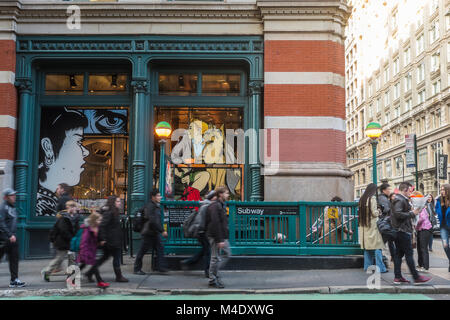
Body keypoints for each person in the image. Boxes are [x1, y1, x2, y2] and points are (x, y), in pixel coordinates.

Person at [37, 108, 89, 216]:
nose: (86, 152)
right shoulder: (41, 206)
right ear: (48, 148)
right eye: (79, 142)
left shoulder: (46, 203)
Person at [391, 182, 431, 285]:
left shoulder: (400, 199)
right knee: (409, 254)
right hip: (402, 231)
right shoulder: (400, 199)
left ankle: (398, 277)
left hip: (400, 230)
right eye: (410, 190)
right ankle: (416, 277)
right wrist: (412, 213)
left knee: (399, 254)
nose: (411, 192)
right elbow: (398, 214)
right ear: (405, 190)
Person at [86, 196, 128, 283]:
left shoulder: (114, 211)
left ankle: (90, 272)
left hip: (113, 239)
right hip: (111, 240)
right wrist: (103, 239)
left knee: (104, 258)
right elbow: (102, 226)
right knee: (116, 258)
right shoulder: (109, 212)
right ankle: (119, 276)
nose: (119, 203)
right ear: (113, 202)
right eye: (117, 201)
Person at [180, 190, 216, 278]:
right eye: (215, 196)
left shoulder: (208, 205)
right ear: (212, 197)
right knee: (207, 251)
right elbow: (201, 220)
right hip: (202, 232)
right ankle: (207, 271)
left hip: (204, 231)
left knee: (205, 250)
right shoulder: (206, 206)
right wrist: (202, 230)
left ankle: (188, 262)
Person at [42, 200, 80, 281]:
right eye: (74, 207)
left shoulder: (75, 217)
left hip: (71, 241)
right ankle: (47, 272)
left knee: (72, 259)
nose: (76, 209)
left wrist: (76, 238)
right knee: (59, 258)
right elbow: (63, 231)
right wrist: (72, 238)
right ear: (69, 208)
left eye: (75, 207)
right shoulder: (64, 218)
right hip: (62, 242)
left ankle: (71, 276)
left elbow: (76, 229)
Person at [134, 190, 169, 275]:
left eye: (160, 196)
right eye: (158, 196)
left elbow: (156, 221)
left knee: (160, 248)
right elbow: (153, 220)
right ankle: (137, 269)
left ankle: (161, 267)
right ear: (153, 197)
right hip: (148, 232)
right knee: (142, 250)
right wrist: (162, 230)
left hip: (154, 232)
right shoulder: (151, 206)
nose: (160, 197)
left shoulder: (155, 206)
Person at [205, 186, 231, 288]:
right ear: (220, 194)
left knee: (226, 254)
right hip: (215, 236)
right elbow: (215, 223)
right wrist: (219, 239)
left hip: (220, 236)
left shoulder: (221, 205)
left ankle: (215, 274)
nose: (228, 195)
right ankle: (212, 279)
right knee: (215, 257)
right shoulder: (215, 206)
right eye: (226, 193)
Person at [358, 183, 387, 273]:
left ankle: (367, 267)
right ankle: (381, 268)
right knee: (377, 247)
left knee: (368, 248)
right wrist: (379, 211)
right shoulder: (372, 199)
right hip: (373, 226)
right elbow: (374, 213)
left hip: (364, 226)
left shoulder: (362, 199)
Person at [0, 188, 25, 288]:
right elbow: (1, 223)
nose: (14, 197)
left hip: (13, 238)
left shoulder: (13, 207)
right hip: (3, 239)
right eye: (11, 195)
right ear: (5, 197)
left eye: (14, 195)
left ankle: (14, 280)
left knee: (14, 260)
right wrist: (9, 235)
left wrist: (12, 235)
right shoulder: (3, 207)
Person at [77, 212, 109, 288]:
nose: (100, 222)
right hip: (86, 250)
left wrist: (100, 241)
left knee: (83, 265)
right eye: (99, 220)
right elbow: (84, 241)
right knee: (94, 266)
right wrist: (84, 252)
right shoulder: (87, 229)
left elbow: (95, 239)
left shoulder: (97, 227)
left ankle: (70, 277)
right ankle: (100, 282)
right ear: (94, 220)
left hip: (92, 249)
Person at [378, 183, 396, 267]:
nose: (390, 191)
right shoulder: (383, 198)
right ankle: (380, 261)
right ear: (384, 190)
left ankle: (394, 257)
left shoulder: (384, 198)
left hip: (386, 223)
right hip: (385, 223)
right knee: (383, 242)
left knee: (390, 240)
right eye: (388, 189)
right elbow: (386, 209)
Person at [415, 192, 434, 272]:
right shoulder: (418, 206)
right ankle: (420, 264)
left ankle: (425, 267)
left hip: (425, 229)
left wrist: (415, 224)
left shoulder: (421, 206)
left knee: (423, 248)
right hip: (421, 229)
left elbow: (422, 218)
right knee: (419, 247)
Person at [436, 184, 450, 271]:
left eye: (444, 190)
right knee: (445, 245)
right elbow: (437, 210)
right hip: (443, 226)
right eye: (441, 190)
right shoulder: (439, 200)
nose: (442, 191)